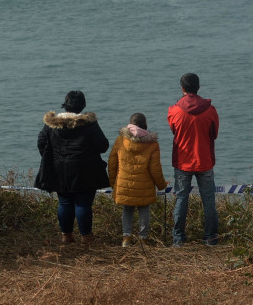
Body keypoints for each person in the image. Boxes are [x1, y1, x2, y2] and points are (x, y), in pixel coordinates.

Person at [37, 91, 110, 245]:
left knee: (64, 202)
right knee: (83, 203)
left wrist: (52, 158)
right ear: (83, 105)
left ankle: (66, 235)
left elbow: (41, 142)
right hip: (85, 169)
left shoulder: (52, 124)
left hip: (59, 168)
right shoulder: (89, 124)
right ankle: (86, 237)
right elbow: (103, 145)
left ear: (66, 104)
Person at [168, 73, 219, 246]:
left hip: (183, 161)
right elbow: (214, 134)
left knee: (181, 198)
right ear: (198, 87)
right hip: (204, 159)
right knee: (208, 199)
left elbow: (174, 130)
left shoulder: (174, 110)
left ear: (182, 88)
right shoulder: (210, 110)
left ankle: (178, 238)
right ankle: (211, 237)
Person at [108, 113, 167, 246]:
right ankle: (143, 238)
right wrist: (162, 185)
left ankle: (126, 238)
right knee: (144, 209)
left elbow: (112, 163)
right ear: (145, 126)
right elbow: (155, 169)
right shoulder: (152, 144)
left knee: (127, 209)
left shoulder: (121, 140)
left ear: (130, 125)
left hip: (124, 183)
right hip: (144, 186)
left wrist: (114, 183)